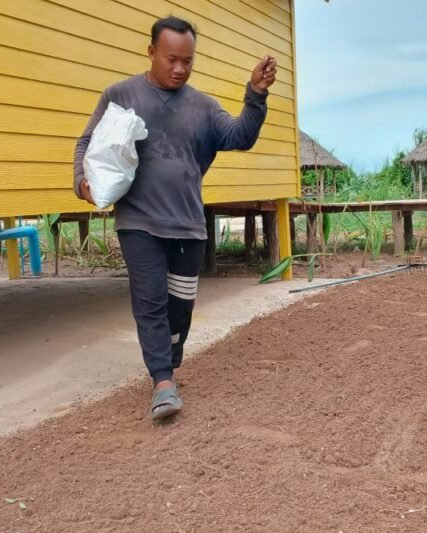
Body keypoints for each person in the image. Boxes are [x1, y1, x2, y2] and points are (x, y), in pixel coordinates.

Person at [73, 16, 276, 421]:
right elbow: (87, 142)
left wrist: (254, 95)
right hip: (138, 222)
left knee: (178, 308)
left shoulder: (201, 107)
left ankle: (168, 357)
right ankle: (162, 381)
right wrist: (82, 180)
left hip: (186, 224)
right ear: (151, 52)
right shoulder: (120, 95)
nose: (180, 68)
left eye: (187, 61)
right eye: (171, 59)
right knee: (148, 302)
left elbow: (240, 136)